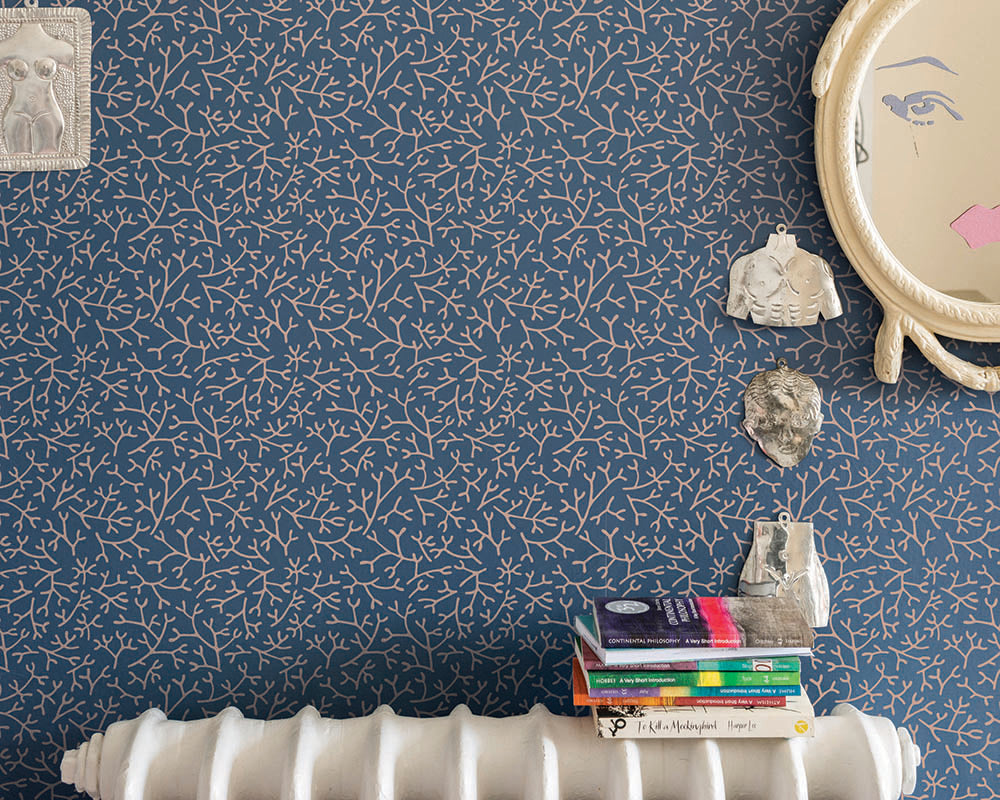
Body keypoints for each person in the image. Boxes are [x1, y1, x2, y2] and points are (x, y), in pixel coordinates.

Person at [0, 22, 74, 155]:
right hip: (16, 113)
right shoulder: (5, 48)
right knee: (17, 160)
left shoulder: (58, 47)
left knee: (51, 159)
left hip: (48, 112)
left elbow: (80, 63)